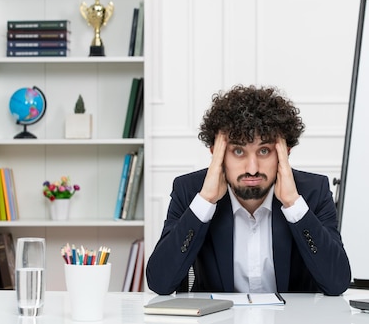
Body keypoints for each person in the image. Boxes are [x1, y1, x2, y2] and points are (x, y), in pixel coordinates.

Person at [146, 85, 351, 295]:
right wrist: (205, 201)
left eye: (264, 150)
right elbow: (160, 283)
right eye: (238, 151)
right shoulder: (190, 191)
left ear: (285, 153)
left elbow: (337, 284)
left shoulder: (312, 192)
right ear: (217, 153)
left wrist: (293, 204)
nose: (252, 169)